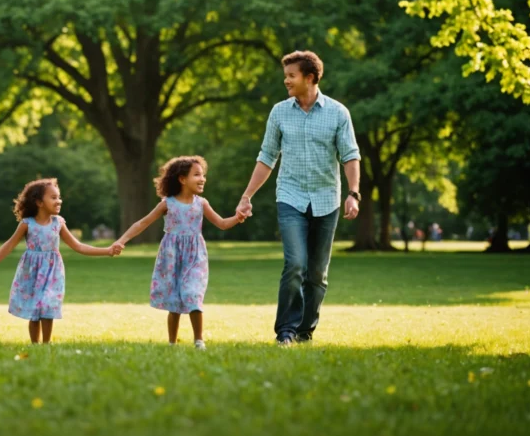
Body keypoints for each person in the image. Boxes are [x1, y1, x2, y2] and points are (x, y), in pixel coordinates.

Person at [235, 51, 361, 346]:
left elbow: (350, 155)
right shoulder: (279, 112)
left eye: (292, 75)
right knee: (295, 264)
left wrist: (354, 193)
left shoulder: (338, 113)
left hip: (326, 199)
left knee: (317, 274)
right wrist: (246, 196)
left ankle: (305, 331)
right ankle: (286, 332)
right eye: (286, 75)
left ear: (310, 78)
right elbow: (266, 156)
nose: (286, 80)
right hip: (290, 197)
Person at [112, 156, 243, 349]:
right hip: (171, 257)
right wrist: (121, 240)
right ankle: (172, 343)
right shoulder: (168, 204)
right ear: (182, 179)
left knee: (193, 293)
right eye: (197, 175)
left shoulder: (201, 203)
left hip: (195, 256)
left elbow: (222, 224)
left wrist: (238, 217)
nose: (202, 179)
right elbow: (143, 223)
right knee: (174, 300)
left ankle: (199, 340)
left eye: (203, 175)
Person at [0, 178, 121, 343]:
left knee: (48, 305)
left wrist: (107, 251)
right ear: (39, 202)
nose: (59, 201)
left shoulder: (58, 223)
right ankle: (35, 344)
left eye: (59, 197)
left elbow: (79, 246)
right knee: (35, 310)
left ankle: (46, 344)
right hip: (31, 272)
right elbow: (9, 244)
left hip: (52, 272)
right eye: (54, 197)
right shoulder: (27, 224)